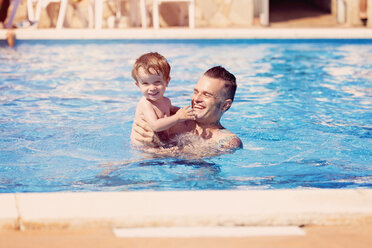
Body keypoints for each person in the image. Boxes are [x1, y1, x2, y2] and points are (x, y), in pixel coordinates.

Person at [132, 65, 242, 157]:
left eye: (206, 95)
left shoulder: (228, 141)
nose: (196, 99)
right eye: (196, 92)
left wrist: (157, 151)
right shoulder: (172, 118)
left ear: (225, 105)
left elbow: (200, 160)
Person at [130, 52, 195, 147]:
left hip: (158, 144)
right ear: (138, 85)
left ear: (167, 81)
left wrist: (187, 113)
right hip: (144, 148)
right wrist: (178, 117)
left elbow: (172, 109)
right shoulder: (146, 103)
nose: (152, 88)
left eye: (157, 82)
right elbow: (155, 125)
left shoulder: (166, 101)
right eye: (145, 83)